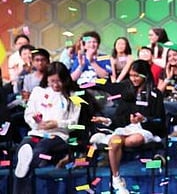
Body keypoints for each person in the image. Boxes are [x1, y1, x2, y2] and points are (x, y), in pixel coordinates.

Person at [89, 59, 166, 194]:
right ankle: (116, 179)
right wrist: (106, 120)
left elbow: (160, 120)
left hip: (146, 130)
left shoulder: (155, 94)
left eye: (136, 75)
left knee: (132, 140)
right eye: (131, 75)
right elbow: (120, 118)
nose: (133, 79)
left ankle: (105, 138)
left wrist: (144, 119)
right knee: (116, 141)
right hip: (127, 129)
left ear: (145, 75)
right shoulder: (127, 92)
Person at [13, 62, 82, 194]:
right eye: (52, 81)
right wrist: (36, 122)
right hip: (37, 132)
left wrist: (57, 124)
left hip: (58, 135)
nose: (55, 85)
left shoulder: (74, 96)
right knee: (24, 147)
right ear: (47, 79)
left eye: (59, 81)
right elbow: (28, 115)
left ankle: (23, 184)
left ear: (65, 79)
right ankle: (25, 168)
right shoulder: (38, 92)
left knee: (40, 149)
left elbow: (75, 123)